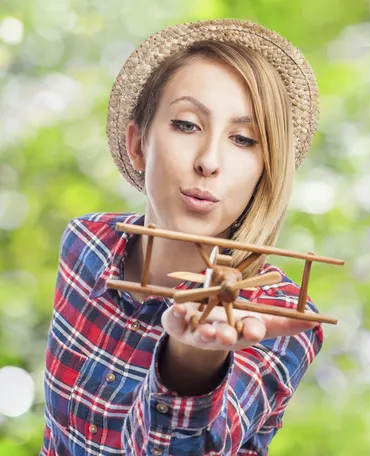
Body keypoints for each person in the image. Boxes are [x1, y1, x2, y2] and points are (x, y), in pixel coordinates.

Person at [41, 19, 323, 456]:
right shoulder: (85, 243)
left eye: (243, 139)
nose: (209, 162)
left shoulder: (275, 317)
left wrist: (192, 362)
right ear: (138, 144)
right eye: (187, 125)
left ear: (265, 173)